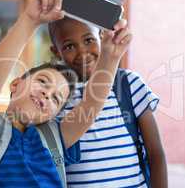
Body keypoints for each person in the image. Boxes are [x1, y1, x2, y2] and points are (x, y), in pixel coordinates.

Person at [0, 0, 131, 188]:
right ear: (15, 85)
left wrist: (110, 56)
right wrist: (29, 20)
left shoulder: (55, 138)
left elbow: (92, 103)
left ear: (55, 114)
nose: (47, 94)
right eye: (42, 81)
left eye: (57, 99)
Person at [48, 16, 167, 187]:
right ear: (56, 52)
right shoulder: (54, 97)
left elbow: (155, 153)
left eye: (88, 40)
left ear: (102, 35)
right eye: (69, 46)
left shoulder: (128, 84)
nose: (82, 52)